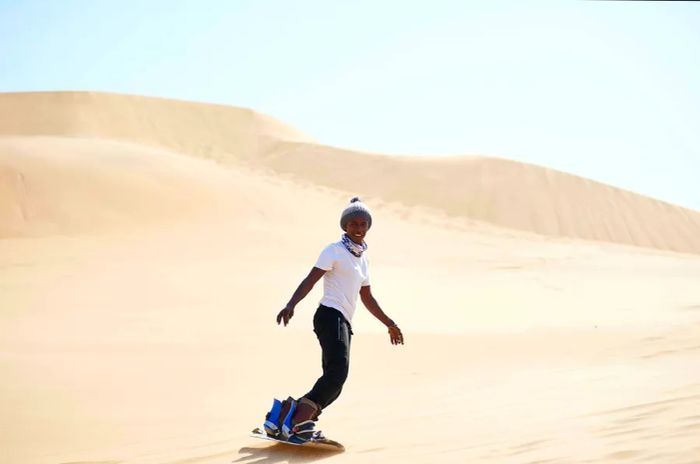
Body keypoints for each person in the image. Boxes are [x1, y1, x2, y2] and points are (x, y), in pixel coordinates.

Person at [262, 197, 404, 443]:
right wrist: (291, 304)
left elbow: (367, 296)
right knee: (337, 372)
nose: (359, 228)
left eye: (363, 224)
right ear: (345, 226)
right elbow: (311, 279)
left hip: (343, 322)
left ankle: (285, 415)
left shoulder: (363, 259)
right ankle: (299, 423)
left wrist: (389, 323)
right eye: (353, 224)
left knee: (334, 379)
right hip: (330, 315)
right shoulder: (334, 250)